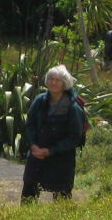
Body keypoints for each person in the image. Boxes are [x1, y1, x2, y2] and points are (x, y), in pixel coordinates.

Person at [20, 64, 85, 202]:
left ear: (64, 83)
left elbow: (75, 137)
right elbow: (30, 125)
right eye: (51, 79)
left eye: (58, 80)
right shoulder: (40, 100)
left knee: (62, 198)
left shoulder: (73, 107)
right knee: (28, 195)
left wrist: (50, 151)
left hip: (61, 159)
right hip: (37, 155)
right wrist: (33, 145)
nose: (53, 83)